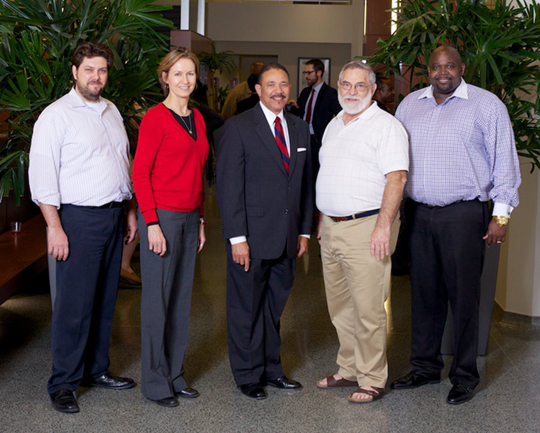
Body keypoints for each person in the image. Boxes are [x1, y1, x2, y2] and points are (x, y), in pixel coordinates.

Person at [391, 45, 521, 405]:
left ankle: (464, 375)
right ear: (428, 71)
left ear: (462, 68)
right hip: (417, 214)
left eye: (449, 66)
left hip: (464, 215)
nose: (442, 72)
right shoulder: (409, 105)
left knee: (464, 296)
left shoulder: (486, 105)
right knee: (423, 294)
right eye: (436, 66)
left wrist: (501, 216)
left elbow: (505, 165)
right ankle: (425, 367)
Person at [29, 42, 137, 414]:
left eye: (102, 70)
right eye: (89, 69)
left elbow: (121, 163)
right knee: (74, 305)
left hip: (111, 215)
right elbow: (42, 177)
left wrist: (128, 210)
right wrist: (54, 227)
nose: (96, 77)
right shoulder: (56, 116)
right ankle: (63, 383)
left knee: (105, 301)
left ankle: (96, 370)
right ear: (74, 72)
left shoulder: (111, 111)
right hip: (76, 220)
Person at [216, 63, 314, 400]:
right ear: (257, 89)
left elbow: (305, 186)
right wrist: (237, 239)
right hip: (251, 239)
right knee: (246, 310)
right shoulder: (238, 128)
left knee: (273, 310)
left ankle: (272, 370)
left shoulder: (300, 129)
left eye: (284, 84)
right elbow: (229, 189)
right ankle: (247, 375)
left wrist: (303, 231)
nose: (278, 90)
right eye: (270, 84)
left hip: (287, 238)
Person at [315, 61, 409, 404]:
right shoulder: (333, 124)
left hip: (367, 226)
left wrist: (383, 226)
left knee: (368, 308)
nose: (351, 92)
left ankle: (372, 378)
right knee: (339, 305)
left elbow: (396, 178)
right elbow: (330, 173)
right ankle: (349, 368)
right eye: (346, 85)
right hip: (332, 226)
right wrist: (323, 219)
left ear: (372, 90)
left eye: (359, 86)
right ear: (338, 86)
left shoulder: (387, 126)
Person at [132, 48, 209, 408]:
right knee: (157, 303)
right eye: (177, 74)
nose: (184, 80)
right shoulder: (155, 118)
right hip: (161, 218)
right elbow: (140, 173)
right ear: (165, 77)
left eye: (190, 74)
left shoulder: (198, 118)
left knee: (180, 302)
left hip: (191, 218)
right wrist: (151, 222)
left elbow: (199, 174)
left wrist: (203, 219)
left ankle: (175, 374)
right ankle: (155, 381)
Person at [288, 58, 341, 179]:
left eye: (309, 73)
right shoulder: (305, 92)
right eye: (304, 73)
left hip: (319, 141)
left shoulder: (330, 93)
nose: (306, 76)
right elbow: (300, 113)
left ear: (319, 73)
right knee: (303, 174)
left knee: (317, 175)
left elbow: (340, 115)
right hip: (303, 139)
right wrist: (291, 107)